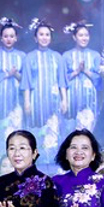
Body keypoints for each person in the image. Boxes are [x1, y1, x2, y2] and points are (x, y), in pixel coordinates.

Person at [21, 19, 68, 164]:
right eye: (41, 34)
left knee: (53, 131)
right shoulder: (29, 57)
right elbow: (26, 82)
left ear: (51, 37)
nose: (44, 37)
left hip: (53, 101)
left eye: (47, 34)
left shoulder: (57, 57)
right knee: (36, 132)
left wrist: (64, 100)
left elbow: (62, 81)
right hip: (36, 100)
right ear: (35, 38)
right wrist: (27, 102)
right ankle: (36, 163)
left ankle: (53, 163)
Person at [0, 18, 26, 144]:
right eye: (6, 36)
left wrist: (15, 74)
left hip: (17, 98)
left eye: (11, 36)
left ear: (16, 38)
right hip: (0, 97)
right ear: (1, 38)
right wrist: (7, 75)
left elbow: (26, 80)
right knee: (1, 127)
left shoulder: (22, 56)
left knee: (16, 126)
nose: (9, 39)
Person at [62, 21, 102, 133]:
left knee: (87, 131)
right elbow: (62, 79)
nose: (84, 38)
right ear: (74, 37)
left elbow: (99, 80)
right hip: (71, 98)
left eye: (86, 35)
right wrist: (76, 71)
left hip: (89, 99)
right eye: (81, 35)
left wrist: (85, 71)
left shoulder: (95, 55)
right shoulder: (66, 56)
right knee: (70, 131)